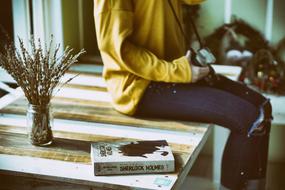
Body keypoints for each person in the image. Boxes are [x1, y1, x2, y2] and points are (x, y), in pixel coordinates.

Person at [93, 0, 272, 189]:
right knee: (252, 118)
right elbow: (116, 47)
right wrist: (176, 71)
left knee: (262, 108)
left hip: (176, 71)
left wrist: (179, 71)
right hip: (139, 86)